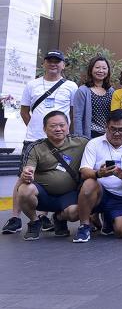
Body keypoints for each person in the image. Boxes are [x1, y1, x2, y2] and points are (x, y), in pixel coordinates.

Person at [3, 50, 78, 236]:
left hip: (60, 141)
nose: (53, 64)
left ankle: (43, 216)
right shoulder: (32, 84)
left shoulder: (71, 86)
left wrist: (64, 134)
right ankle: (15, 218)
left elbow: (72, 113)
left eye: (57, 61)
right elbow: (24, 111)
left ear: (63, 65)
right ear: (43, 63)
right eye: (49, 60)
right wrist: (38, 129)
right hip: (33, 139)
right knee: (23, 176)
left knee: (53, 174)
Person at [73, 110, 122, 242]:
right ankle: (84, 226)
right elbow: (84, 171)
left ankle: (109, 219)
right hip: (99, 194)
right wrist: (98, 173)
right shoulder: (94, 143)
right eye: (113, 129)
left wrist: (121, 174)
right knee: (89, 183)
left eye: (121, 129)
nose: (117, 133)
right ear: (106, 127)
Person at [15, 111, 87, 240]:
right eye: (53, 126)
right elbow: (29, 168)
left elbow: (102, 143)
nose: (58, 129)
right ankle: (34, 221)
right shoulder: (35, 147)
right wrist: (27, 173)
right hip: (43, 196)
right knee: (24, 190)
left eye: (62, 125)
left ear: (68, 126)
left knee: (76, 212)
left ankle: (59, 218)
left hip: (69, 195)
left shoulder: (82, 142)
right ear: (44, 129)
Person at [72, 55, 113, 139]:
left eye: (104, 68)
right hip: (90, 134)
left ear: (108, 71)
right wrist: (79, 138)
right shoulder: (83, 90)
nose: (101, 71)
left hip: (108, 134)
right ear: (91, 70)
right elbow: (77, 117)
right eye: (97, 67)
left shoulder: (111, 91)